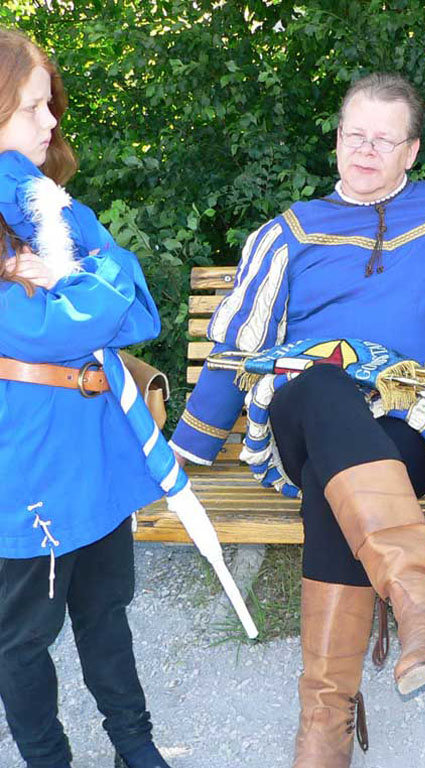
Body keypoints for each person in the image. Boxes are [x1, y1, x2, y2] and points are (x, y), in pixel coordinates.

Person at [168, 73, 425, 767]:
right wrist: (185, 452)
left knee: (340, 483)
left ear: (412, 151)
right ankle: (421, 605)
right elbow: (236, 349)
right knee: (323, 384)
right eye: (354, 135)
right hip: (300, 414)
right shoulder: (288, 234)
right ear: (336, 140)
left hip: (410, 424)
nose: (365, 150)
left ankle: (325, 726)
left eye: (383, 140)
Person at [0, 28, 174, 768]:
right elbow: (44, 328)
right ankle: (48, 761)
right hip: (27, 463)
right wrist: (88, 286)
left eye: (51, 104)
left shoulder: (50, 204)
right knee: (22, 638)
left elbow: (135, 309)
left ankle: (136, 745)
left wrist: (73, 283)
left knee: (106, 611)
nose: (51, 121)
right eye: (31, 107)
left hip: (95, 445)